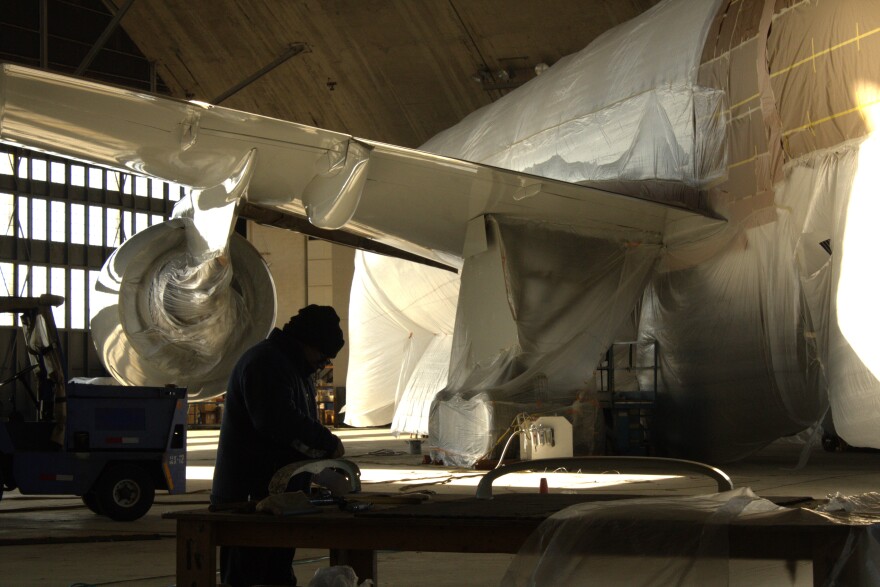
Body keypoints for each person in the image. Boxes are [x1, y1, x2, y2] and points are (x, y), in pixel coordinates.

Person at [211, 304, 346, 587]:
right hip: (248, 501)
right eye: (323, 355)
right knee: (248, 577)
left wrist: (320, 467)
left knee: (277, 576)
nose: (323, 363)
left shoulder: (296, 369)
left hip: (279, 500)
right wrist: (327, 442)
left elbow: (294, 437)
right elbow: (278, 421)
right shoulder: (265, 363)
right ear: (306, 341)